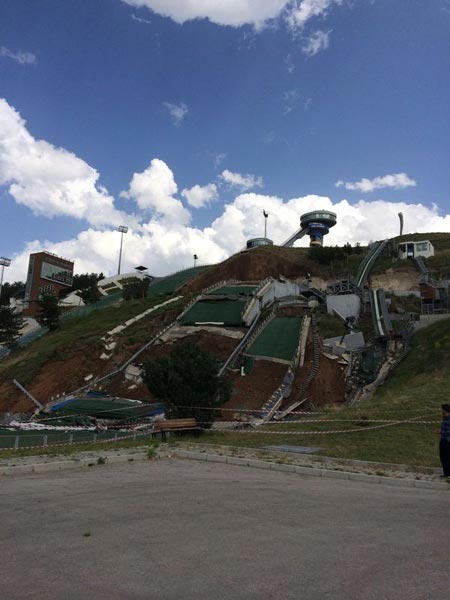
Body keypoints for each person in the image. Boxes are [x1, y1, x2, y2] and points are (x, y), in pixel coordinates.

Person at [438, 403, 450, 479]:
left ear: (445, 410)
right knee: (443, 457)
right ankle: (446, 473)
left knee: (448, 457)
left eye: (442, 409)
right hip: (443, 440)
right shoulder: (444, 418)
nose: (441, 411)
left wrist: (441, 432)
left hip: (448, 441)